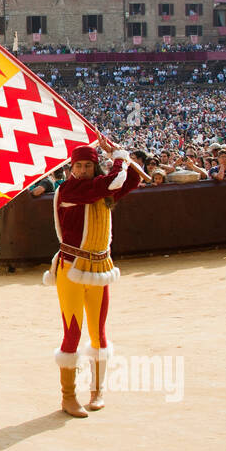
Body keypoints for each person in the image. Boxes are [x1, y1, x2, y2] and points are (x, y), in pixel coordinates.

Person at [44, 136, 141, 418]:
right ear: (72, 168)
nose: (83, 170)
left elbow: (131, 181)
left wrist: (120, 155)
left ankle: (97, 390)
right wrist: (119, 160)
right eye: (79, 166)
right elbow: (110, 182)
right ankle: (68, 396)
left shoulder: (99, 189)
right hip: (71, 269)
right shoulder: (70, 188)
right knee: (72, 332)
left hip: (99, 268)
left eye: (88, 166)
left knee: (99, 333)